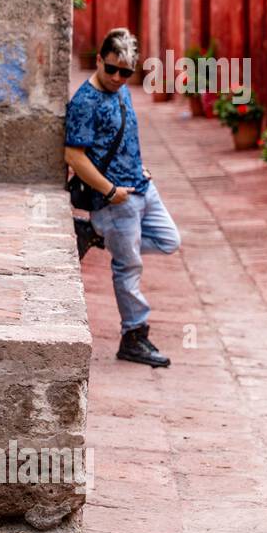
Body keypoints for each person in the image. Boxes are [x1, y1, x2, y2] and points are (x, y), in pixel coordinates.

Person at [65, 27, 180, 367]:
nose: (117, 77)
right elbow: (74, 156)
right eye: (111, 68)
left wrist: (140, 167)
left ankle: (98, 234)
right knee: (128, 267)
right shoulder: (85, 102)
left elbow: (124, 134)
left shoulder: (122, 91)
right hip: (116, 199)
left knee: (170, 240)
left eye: (126, 72)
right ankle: (134, 337)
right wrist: (110, 191)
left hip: (142, 187)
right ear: (99, 60)